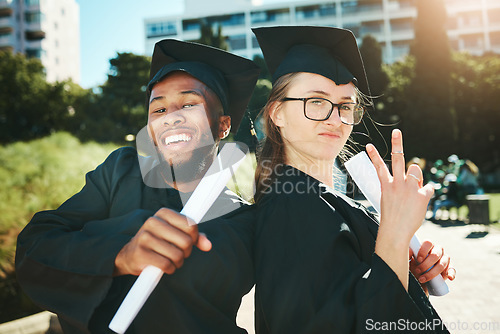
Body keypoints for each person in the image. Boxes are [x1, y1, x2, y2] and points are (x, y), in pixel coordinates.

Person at [16, 39, 260, 333]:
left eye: (189, 103)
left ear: (222, 125)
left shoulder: (242, 219)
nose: (171, 117)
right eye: (158, 110)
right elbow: (35, 247)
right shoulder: (121, 171)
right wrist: (120, 253)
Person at [252, 26, 455, 333]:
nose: (335, 119)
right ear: (277, 113)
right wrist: (395, 233)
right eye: (316, 102)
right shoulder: (290, 208)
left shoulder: (323, 201)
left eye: (345, 106)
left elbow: (358, 305)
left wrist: (402, 269)